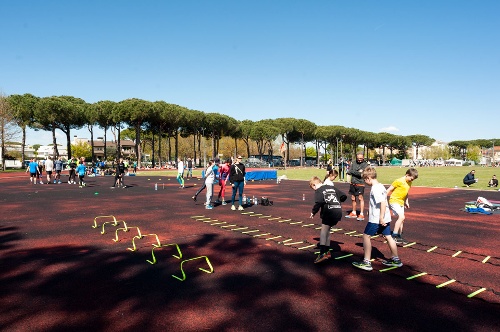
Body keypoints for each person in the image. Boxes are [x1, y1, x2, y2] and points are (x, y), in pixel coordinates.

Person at [352, 166, 402, 271]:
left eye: (365, 180)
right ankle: (396, 259)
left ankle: (366, 262)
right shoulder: (381, 186)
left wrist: (381, 217)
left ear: (369, 178)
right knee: (388, 236)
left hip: (377, 219)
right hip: (385, 217)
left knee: (366, 236)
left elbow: (383, 203)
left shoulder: (375, 188)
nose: (365, 182)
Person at [309, 176, 347, 263]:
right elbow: (344, 196)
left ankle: (322, 253)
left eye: (313, 188)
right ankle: (327, 251)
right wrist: (337, 201)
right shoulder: (331, 187)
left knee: (323, 231)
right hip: (338, 211)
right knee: (328, 231)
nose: (314, 190)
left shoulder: (319, 190)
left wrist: (313, 212)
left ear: (314, 185)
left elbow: (318, 202)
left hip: (329, 212)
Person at [387, 168, 419, 245]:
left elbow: (406, 192)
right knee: (401, 217)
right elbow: (388, 190)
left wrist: (406, 202)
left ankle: (399, 235)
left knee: (402, 219)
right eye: (411, 179)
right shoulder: (398, 181)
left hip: (401, 202)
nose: (412, 181)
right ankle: (394, 235)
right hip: (394, 200)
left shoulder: (409, 183)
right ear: (407, 175)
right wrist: (382, 200)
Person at [345, 153, 369, 221]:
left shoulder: (365, 165)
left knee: (360, 198)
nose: (360, 160)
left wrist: (354, 172)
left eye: (361, 158)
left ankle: (361, 214)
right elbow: (349, 172)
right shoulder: (354, 163)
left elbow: (362, 174)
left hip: (360, 183)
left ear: (363, 157)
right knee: (353, 198)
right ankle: (354, 212)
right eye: (358, 158)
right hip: (353, 183)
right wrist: (357, 172)